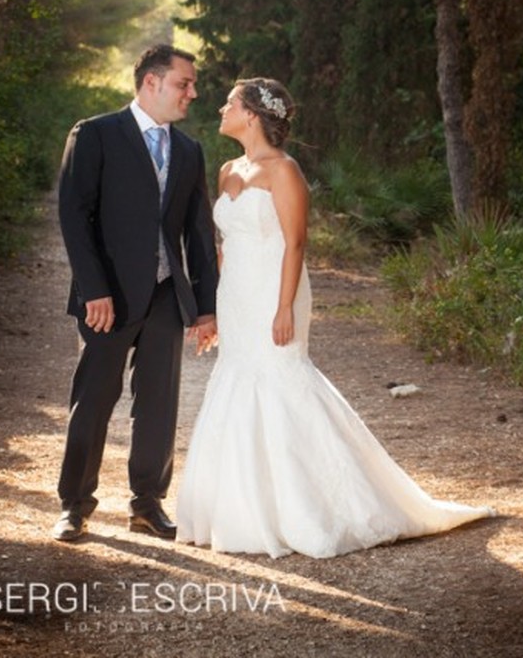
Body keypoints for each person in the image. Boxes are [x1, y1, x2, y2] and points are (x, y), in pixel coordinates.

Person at [175, 78, 493, 558]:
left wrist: (284, 306)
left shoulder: (285, 170)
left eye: (230, 103)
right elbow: (225, 246)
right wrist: (214, 306)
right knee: (236, 378)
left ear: (253, 115)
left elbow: (296, 243)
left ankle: (316, 507)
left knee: (281, 377)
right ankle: (243, 510)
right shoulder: (226, 170)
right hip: (236, 294)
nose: (222, 108)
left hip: (274, 291)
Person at [53, 44, 219, 543]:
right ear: (152, 82)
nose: (192, 93)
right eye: (184, 83)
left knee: (159, 405)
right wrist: (94, 290)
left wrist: (205, 307)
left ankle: (147, 504)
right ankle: (74, 505)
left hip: (167, 295)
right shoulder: (95, 134)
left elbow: (198, 234)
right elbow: (74, 216)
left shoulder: (189, 151)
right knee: (93, 400)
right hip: (108, 298)